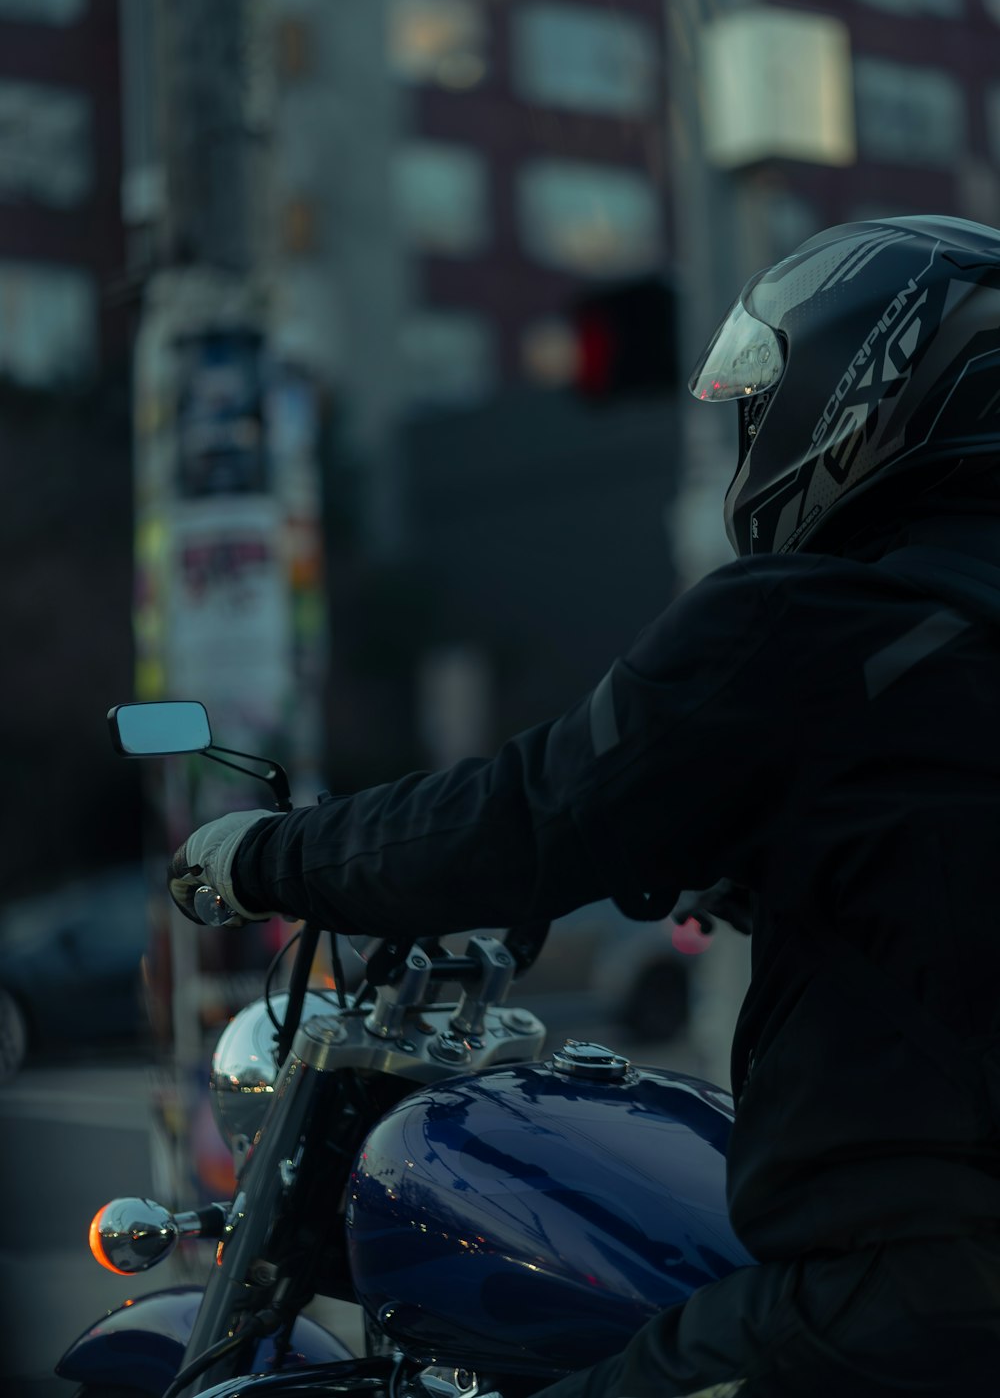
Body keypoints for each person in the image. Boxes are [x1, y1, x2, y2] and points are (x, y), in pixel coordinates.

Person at [169, 214, 1000, 1397]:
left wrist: (268, 856)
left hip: (898, 1297)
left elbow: (523, 818)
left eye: (766, 403)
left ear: (863, 387)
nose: (755, 432)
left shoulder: (805, 625)